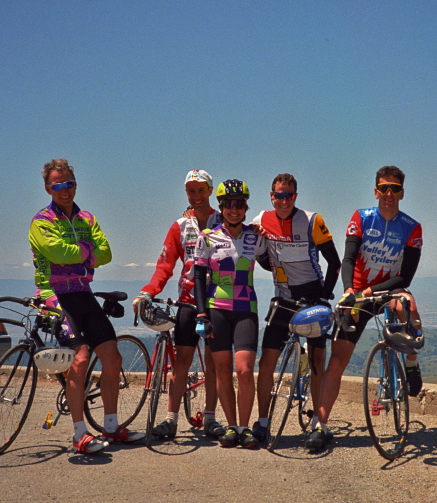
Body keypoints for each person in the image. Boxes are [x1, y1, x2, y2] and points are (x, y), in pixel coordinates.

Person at [29, 158, 144, 453]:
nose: (64, 191)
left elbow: (106, 252)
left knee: (113, 357)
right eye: (58, 186)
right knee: (78, 361)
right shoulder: (42, 221)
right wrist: (86, 251)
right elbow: (56, 251)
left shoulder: (87, 219)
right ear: (48, 188)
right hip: (53, 294)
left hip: (82, 292)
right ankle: (79, 434)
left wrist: (78, 254)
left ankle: (111, 427)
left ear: (75, 185)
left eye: (69, 184)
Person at [316, 166, 424, 451]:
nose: (389, 194)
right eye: (384, 188)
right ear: (376, 191)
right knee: (337, 359)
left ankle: (411, 362)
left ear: (402, 193)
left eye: (395, 189)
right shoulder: (361, 218)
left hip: (387, 290)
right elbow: (348, 258)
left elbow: (406, 277)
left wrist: (372, 290)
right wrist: (350, 289)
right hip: (359, 294)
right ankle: (320, 424)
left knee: (407, 303)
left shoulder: (412, 227)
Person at [250, 173, 341, 443]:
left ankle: (318, 423)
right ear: (271, 195)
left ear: (295, 196)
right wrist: (263, 248)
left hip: (313, 296)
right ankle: (263, 422)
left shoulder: (312, 220)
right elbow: (262, 260)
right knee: (266, 362)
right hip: (283, 298)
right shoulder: (261, 220)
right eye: (279, 195)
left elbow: (334, 263)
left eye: (288, 195)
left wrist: (325, 298)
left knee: (316, 363)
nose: (283, 201)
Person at [133, 170, 222, 440]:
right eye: (190, 191)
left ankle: (210, 418)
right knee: (181, 361)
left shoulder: (225, 220)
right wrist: (148, 291)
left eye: (200, 190)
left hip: (218, 301)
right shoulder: (179, 226)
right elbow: (164, 265)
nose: (196, 196)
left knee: (213, 362)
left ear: (210, 190)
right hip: (188, 301)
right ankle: (170, 420)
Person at [192, 179, 269, 449]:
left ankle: (246, 428)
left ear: (246, 207)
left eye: (239, 205)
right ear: (221, 207)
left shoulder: (256, 237)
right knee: (222, 372)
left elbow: (271, 264)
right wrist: (201, 313)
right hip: (217, 310)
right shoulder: (207, 237)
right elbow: (199, 277)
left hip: (246, 308)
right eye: (228, 205)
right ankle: (233, 427)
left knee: (245, 370)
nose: (234, 210)